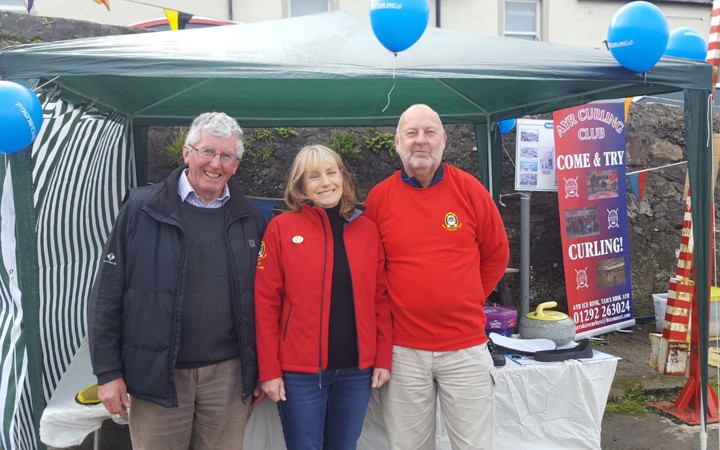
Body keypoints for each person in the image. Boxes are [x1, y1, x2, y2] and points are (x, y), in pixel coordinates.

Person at [87, 112, 266, 450]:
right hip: (157, 374)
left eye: (227, 155)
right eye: (207, 152)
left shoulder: (251, 218)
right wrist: (108, 373)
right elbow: (106, 294)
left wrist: (260, 368)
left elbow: (262, 300)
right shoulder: (141, 209)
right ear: (187, 153)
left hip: (228, 377)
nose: (216, 163)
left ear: (236, 164)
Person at [364, 104, 510, 450]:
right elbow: (372, 271)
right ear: (397, 141)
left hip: (465, 347)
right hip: (403, 351)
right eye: (411, 133)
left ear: (443, 140)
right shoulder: (379, 199)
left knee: (473, 445)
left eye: (429, 132)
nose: (420, 141)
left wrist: (469, 297)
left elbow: (496, 254)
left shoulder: (470, 190)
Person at [254, 144, 393, 450]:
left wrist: (382, 358)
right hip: (299, 374)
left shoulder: (368, 230)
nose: (326, 182)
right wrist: (269, 371)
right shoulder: (280, 229)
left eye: (332, 172)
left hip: (356, 373)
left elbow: (380, 300)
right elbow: (265, 305)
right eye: (314, 176)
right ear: (300, 185)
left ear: (342, 177)